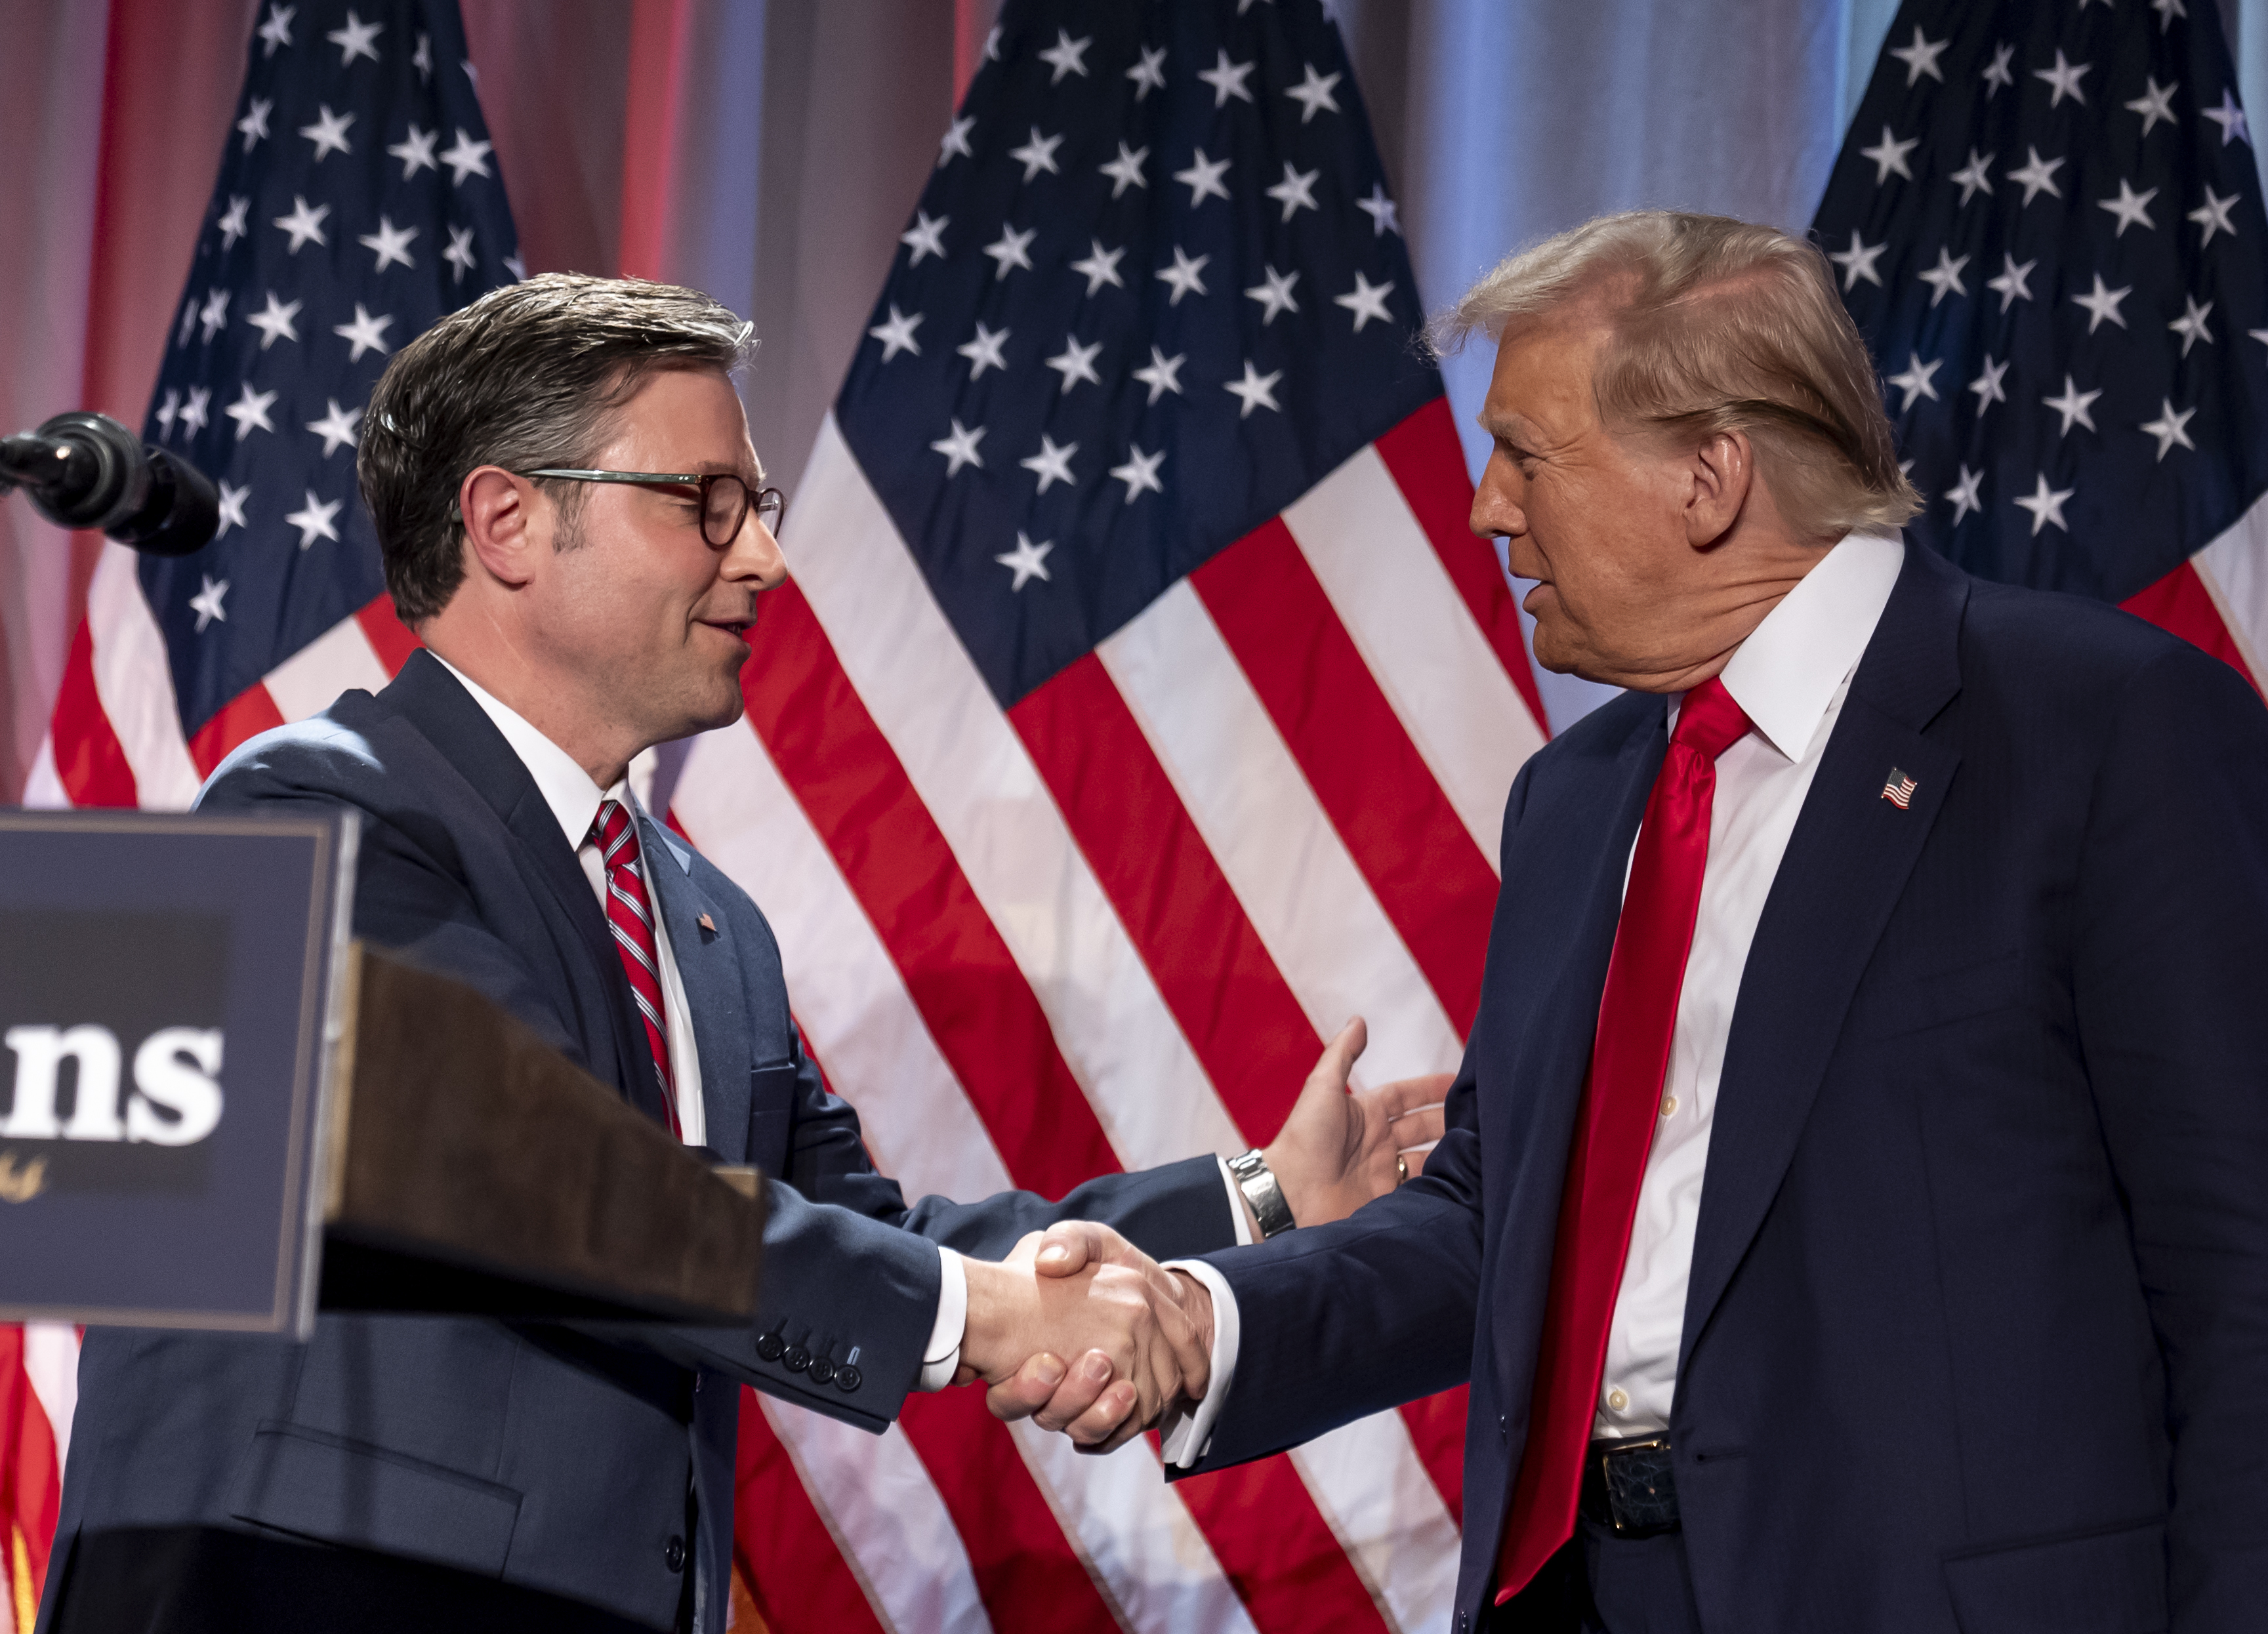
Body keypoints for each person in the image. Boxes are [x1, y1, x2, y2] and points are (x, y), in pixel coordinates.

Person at [1023, 211, 2268, 1633]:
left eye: (1528, 454)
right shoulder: (1574, 798)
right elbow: (1498, 1224)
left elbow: (2263, 1309)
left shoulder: (2101, 734)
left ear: (1710, 476)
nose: (1488, 507)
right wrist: (1207, 1320)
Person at [35, 274, 1442, 1634]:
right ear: (508, 521)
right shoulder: (316, 808)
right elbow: (540, 1186)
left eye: (755, 506)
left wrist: (1255, 1197)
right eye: (706, 504)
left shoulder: (707, 920)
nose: (762, 556)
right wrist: (986, 1315)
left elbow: (859, 1238)